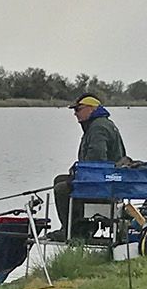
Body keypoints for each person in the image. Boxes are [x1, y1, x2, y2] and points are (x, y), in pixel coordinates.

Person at [52, 95, 130, 234]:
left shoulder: (98, 128)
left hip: (102, 184)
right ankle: (81, 226)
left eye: (78, 109)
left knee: (61, 188)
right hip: (107, 179)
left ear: (91, 109)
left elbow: (96, 161)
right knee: (59, 179)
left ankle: (71, 231)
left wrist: (79, 175)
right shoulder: (102, 123)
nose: (75, 113)